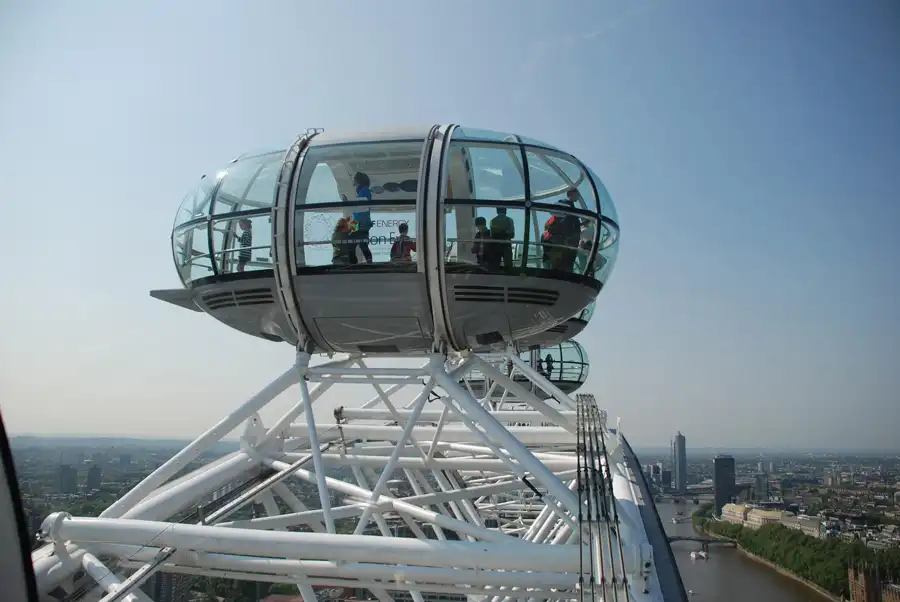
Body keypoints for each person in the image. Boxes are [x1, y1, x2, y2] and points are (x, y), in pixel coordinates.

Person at [351, 172, 374, 263]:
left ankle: (356, 263)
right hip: (356, 221)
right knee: (355, 244)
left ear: (358, 180)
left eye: (354, 178)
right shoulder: (359, 191)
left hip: (361, 222)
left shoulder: (364, 190)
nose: (353, 180)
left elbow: (361, 205)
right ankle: (361, 262)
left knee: (359, 244)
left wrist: (348, 201)